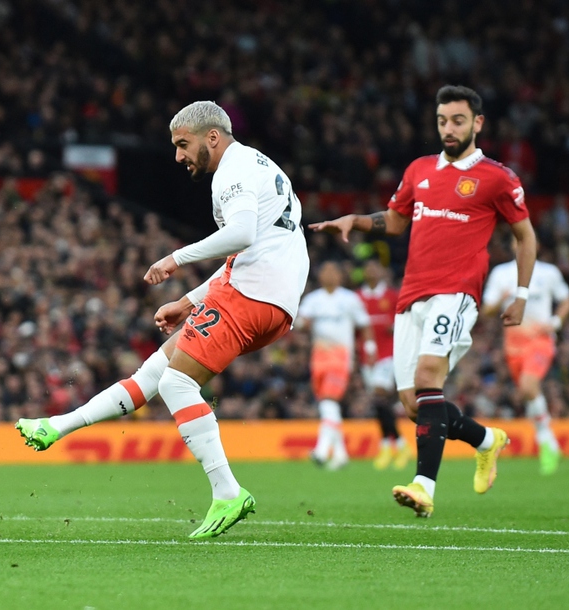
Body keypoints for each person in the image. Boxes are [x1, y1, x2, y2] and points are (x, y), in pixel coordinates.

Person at [21, 101, 309, 538]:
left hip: (253, 293)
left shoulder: (232, 171)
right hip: (269, 296)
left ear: (212, 136)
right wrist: (192, 301)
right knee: (156, 372)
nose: (178, 156)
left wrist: (175, 258)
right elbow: (249, 248)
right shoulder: (258, 166)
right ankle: (57, 426)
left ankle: (228, 491)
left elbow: (242, 234)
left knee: (177, 383)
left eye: (183, 144)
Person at [309, 85, 536, 518]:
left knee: (431, 376)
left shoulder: (497, 177)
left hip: (457, 292)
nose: (448, 129)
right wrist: (354, 221)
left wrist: (521, 295)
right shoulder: (418, 170)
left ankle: (424, 486)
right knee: (415, 407)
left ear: (477, 123)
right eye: (442, 121)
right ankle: (487, 440)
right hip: (411, 295)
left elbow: (525, 237)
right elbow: (395, 222)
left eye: (457, 120)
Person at [482, 240, 569, 475]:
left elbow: (567, 300)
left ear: (537, 245)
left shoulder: (548, 272)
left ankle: (547, 440)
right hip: (513, 345)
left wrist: (555, 322)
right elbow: (487, 310)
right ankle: (549, 442)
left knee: (528, 385)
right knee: (528, 393)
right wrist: (501, 299)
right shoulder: (501, 274)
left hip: (540, 340)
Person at [297, 261, 375, 470]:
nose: (329, 274)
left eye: (333, 271)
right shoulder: (313, 300)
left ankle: (322, 451)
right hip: (319, 357)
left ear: (341, 276)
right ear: (319, 276)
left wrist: (370, 348)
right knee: (326, 403)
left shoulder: (349, 299)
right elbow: (301, 322)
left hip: (341, 357)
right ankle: (340, 454)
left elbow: (364, 325)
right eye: (325, 271)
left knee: (329, 400)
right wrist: (300, 324)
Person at [357, 259, 410, 470]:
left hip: (388, 354)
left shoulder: (391, 296)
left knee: (380, 395)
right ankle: (392, 444)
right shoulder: (357, 298)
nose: (371, 271)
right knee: (379, 403)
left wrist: (395, 327)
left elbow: (404, 317)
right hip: (366, 357)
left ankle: (392, 444)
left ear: (381, 272)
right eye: (368, 268)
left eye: (375, 267)